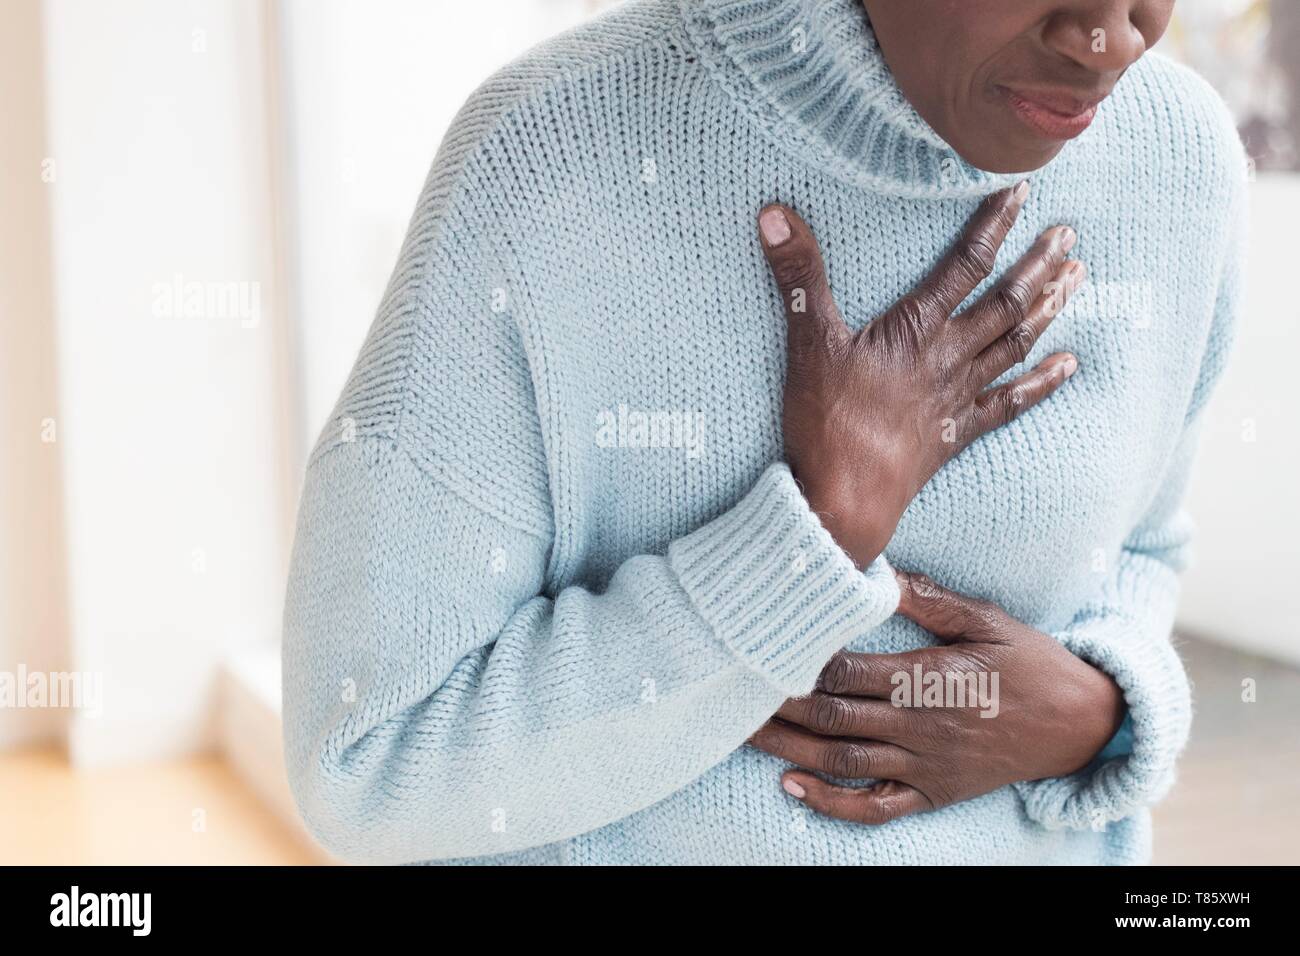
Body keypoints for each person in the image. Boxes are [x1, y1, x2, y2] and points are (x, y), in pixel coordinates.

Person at [282, 0, 1246, 864]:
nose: (1113, 33)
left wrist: (1098, 713)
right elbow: (367, 767)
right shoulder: (551, 152)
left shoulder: (1180, 156)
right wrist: (817, 535)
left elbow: (1141, 551)